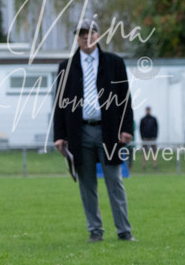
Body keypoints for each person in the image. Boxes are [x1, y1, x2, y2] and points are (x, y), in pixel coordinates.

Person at [53, 18, 135, 243]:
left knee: (114, 182)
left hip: (109, 131)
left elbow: (125, 98)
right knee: (87, 184)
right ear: (76, 38)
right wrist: (59, 136)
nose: (86, 37)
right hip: (79, 133)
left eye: (90, 33)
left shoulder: (114, 63)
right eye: (81, 34)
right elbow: (59, 105)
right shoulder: (66, 67)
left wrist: (127, 128)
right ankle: (95, 231)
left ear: (98, 35)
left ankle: (124, 231)